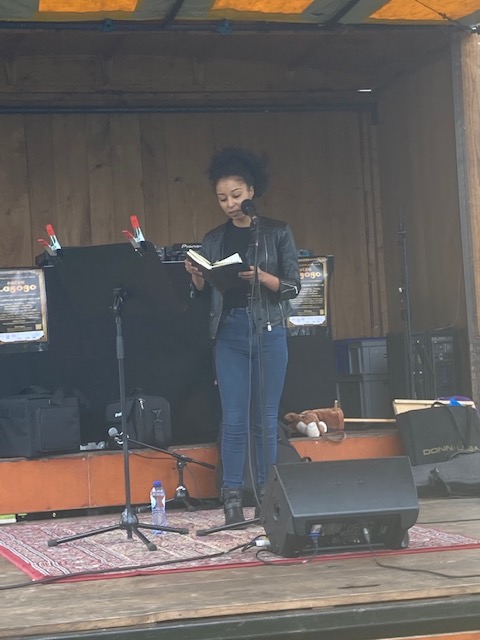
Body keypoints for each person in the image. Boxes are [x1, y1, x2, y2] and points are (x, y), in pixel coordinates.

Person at [185, 147, 301, 526]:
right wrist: (198, 277)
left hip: (269, 331)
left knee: (265, 419)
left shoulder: (277, 231)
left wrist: (265, 278)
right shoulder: (214, 238)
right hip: (230, 332)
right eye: (222, 198)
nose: (230, 204)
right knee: (234, 418)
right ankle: (232, 498)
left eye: (236, 195)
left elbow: (294, 286)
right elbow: (205, 296)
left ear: (251, 191)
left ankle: (267, 497)